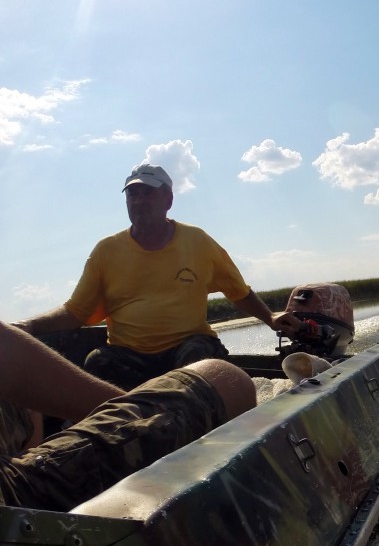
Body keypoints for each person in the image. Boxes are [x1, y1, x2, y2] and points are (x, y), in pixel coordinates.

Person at [15, 163, 300, 389]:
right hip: (129, 355)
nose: (139, 201)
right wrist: (28, 326)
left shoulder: (198, 242)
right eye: (132, 194)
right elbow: (75, 312)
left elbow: (239, 292)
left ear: (168, 200)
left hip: (187, 346)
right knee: (98, 362)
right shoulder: (106, 251)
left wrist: (271, 319)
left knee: (199, 358)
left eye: (148, 193)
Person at [0, 321, 256, 512]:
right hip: (10, 502)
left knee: (21, 405)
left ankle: (31, 467)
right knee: (226, 379)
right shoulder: (109, 252)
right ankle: (36, 488)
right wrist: (136, 412)